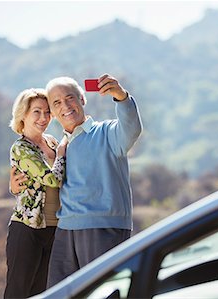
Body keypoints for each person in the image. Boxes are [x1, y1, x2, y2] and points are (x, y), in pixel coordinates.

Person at [45, 73, 142, 287]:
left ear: (82, 99)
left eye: (70, 97)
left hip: (103, 228)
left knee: (104, 292)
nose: (65, 106)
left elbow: (132, 129)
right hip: (66, 229)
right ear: (52, 113)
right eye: (57, 102)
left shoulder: (107, 132)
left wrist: (121, 96)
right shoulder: (59, 148)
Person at [4, 88, 67, 298]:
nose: (44, 118)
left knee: (41, 293)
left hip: (53, 229)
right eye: (37, 112)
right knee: (18, 292)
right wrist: (61, 154)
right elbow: (52, 178)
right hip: (27, 228)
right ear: (23, 114)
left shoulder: (51, 142)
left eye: (47, 112)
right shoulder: (21, 148)